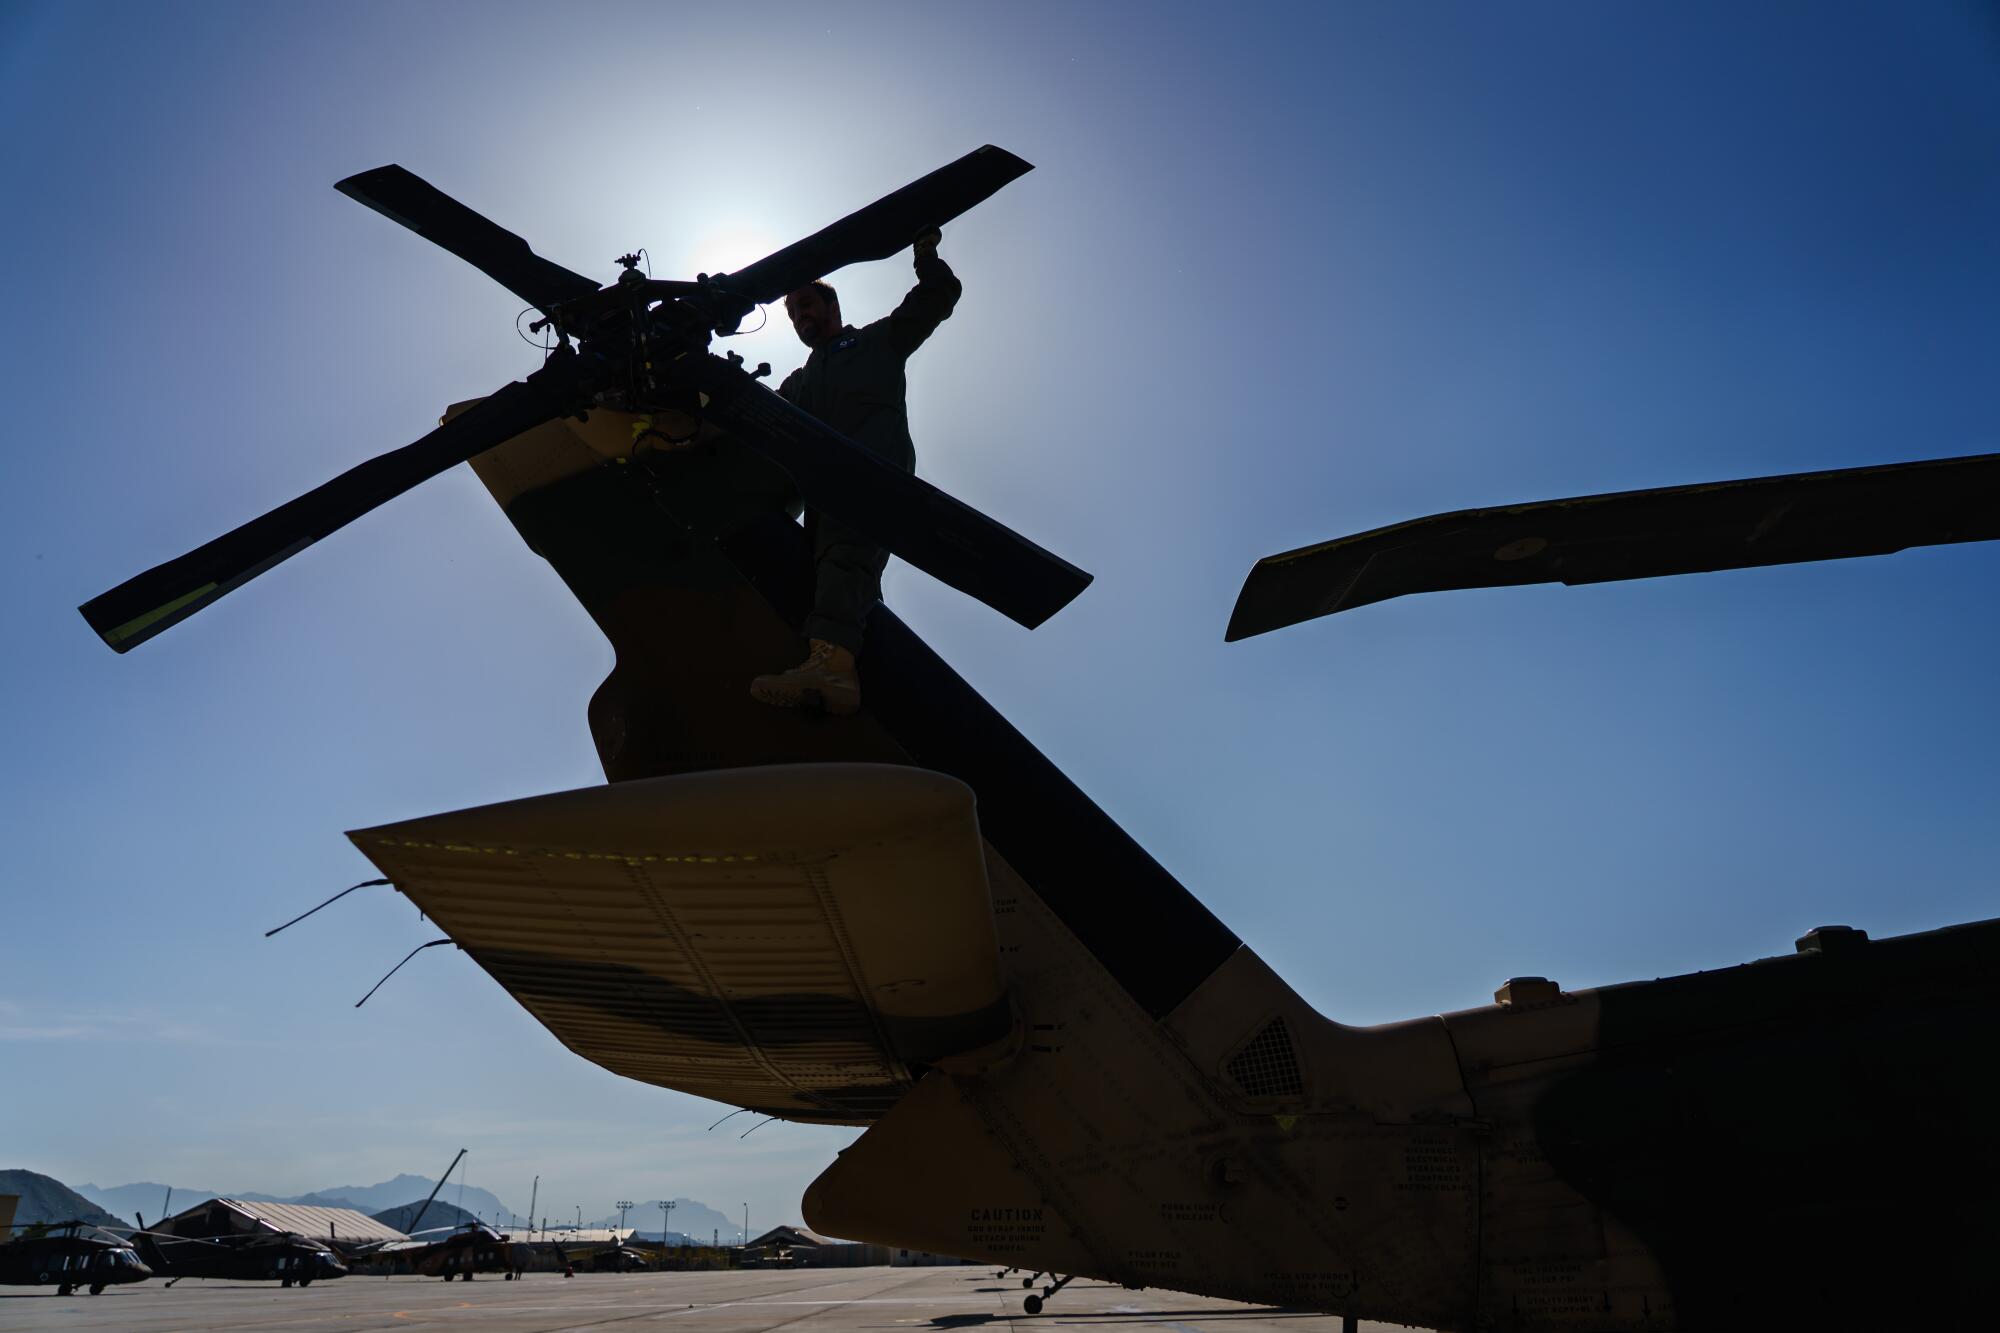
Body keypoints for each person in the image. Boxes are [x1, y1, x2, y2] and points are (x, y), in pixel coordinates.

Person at [748, 228, 961, 715]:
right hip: (823, 499)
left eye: (807, 305)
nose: (801, 316)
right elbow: (756, 430)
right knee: (831, 573)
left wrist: (925, 254)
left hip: (872, 476)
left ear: (831, 306)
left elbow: (937, 296)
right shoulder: (796, 384)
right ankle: (851, 671)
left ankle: (833, 668)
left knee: (847, 558)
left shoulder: (877, 342)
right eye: (794, 312)